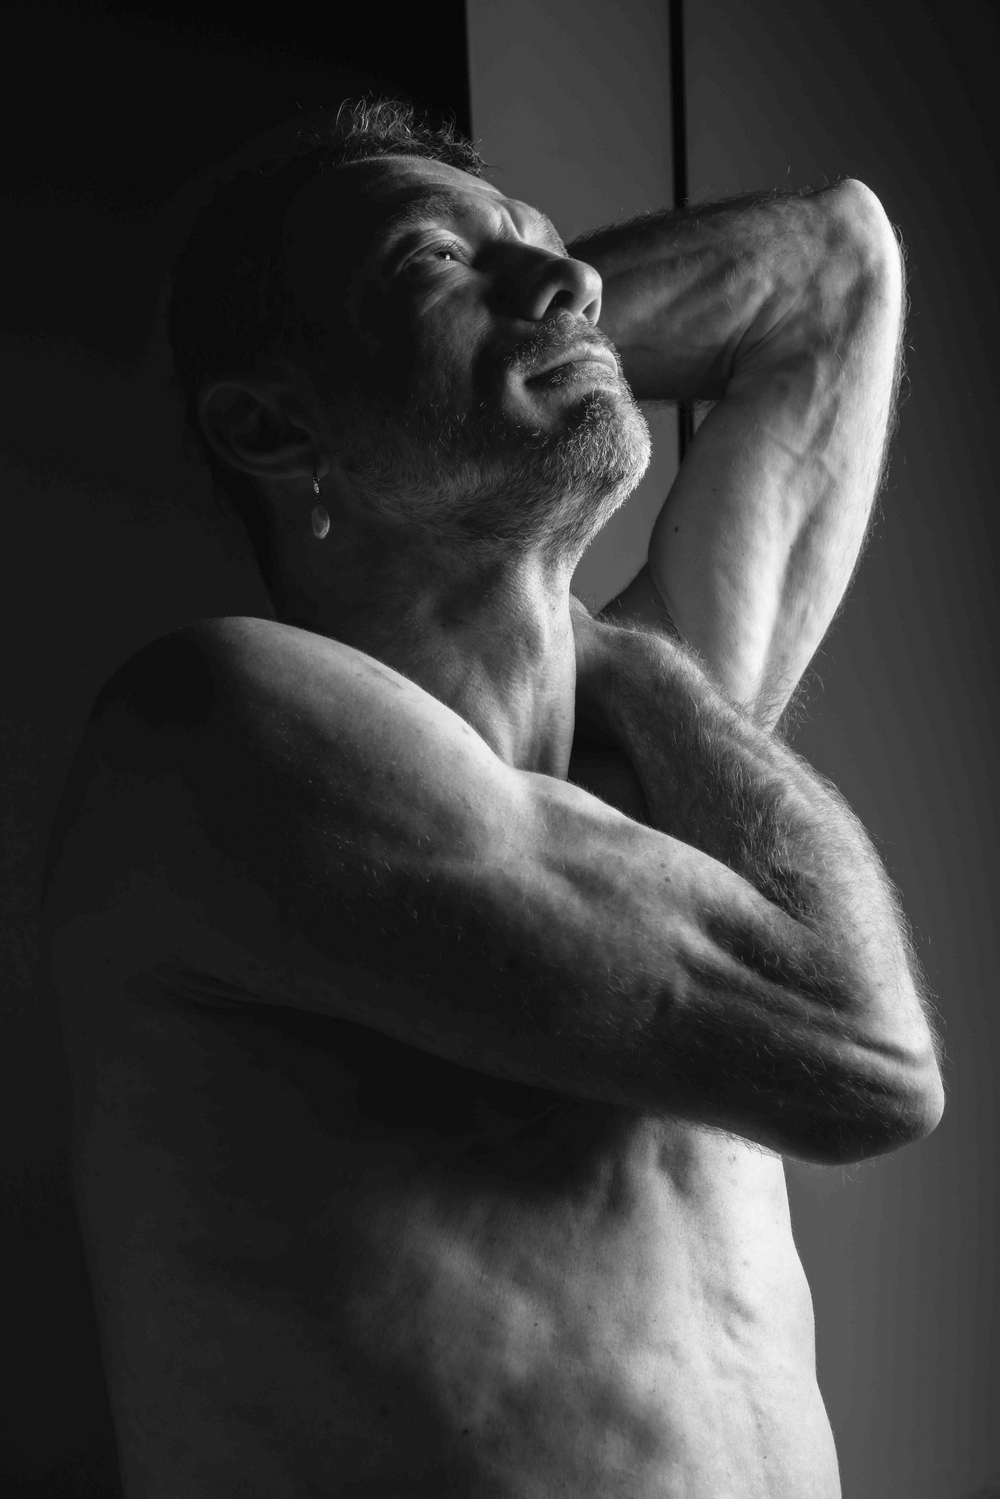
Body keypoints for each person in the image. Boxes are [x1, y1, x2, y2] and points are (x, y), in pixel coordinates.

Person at [44, 98, 944, 1498]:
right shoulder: (217, 732)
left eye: (543, 242)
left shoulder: (636, 765)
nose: (566, 277)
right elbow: (868, 1060)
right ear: (272, 427)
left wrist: (516, 330)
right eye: (434, 260)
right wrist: (643, 654)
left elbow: (836, 266)